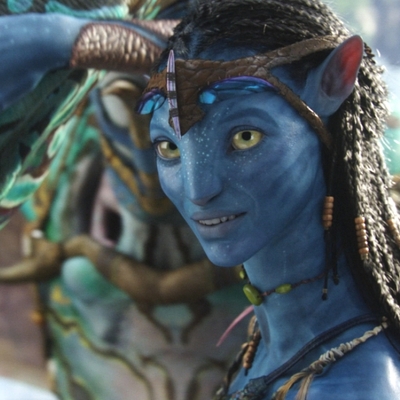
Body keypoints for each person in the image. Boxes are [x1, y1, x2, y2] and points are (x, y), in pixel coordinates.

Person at [138, 0, 400, 398]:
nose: (198, 191)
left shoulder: (355, 386)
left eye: (245, 137)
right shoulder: (270, 345)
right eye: (169, 148)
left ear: (335, 79)